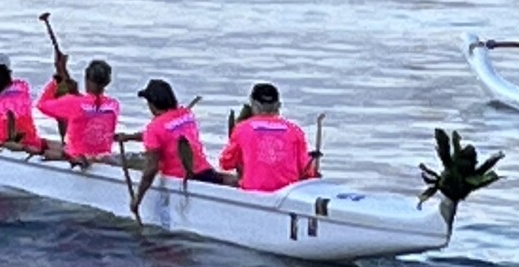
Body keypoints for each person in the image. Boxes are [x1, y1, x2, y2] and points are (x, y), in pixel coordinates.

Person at [130, 78, 226, 215]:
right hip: (205, 172)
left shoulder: (154, 127)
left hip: (182, 180)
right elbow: (167, 134)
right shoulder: (186, 115)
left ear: (152, 104)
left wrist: (137, 199)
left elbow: (152, 168)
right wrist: (128, 137)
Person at [218, 82, 318, 192]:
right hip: (286, 194)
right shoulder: (294, 131)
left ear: (253, 104)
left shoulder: (242, 129)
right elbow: (307, 171)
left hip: (253, 193)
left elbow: (226, 164)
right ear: (278, 105)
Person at [37, 59, 120, 162]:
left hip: (78, 158)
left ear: (86, 79)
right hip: (103, 157)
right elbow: (91, 105)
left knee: (42, 145)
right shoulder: (113, 105)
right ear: (107, 82)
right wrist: (73, 91)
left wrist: (57, 79)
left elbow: (42, 104)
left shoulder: (73, 103)